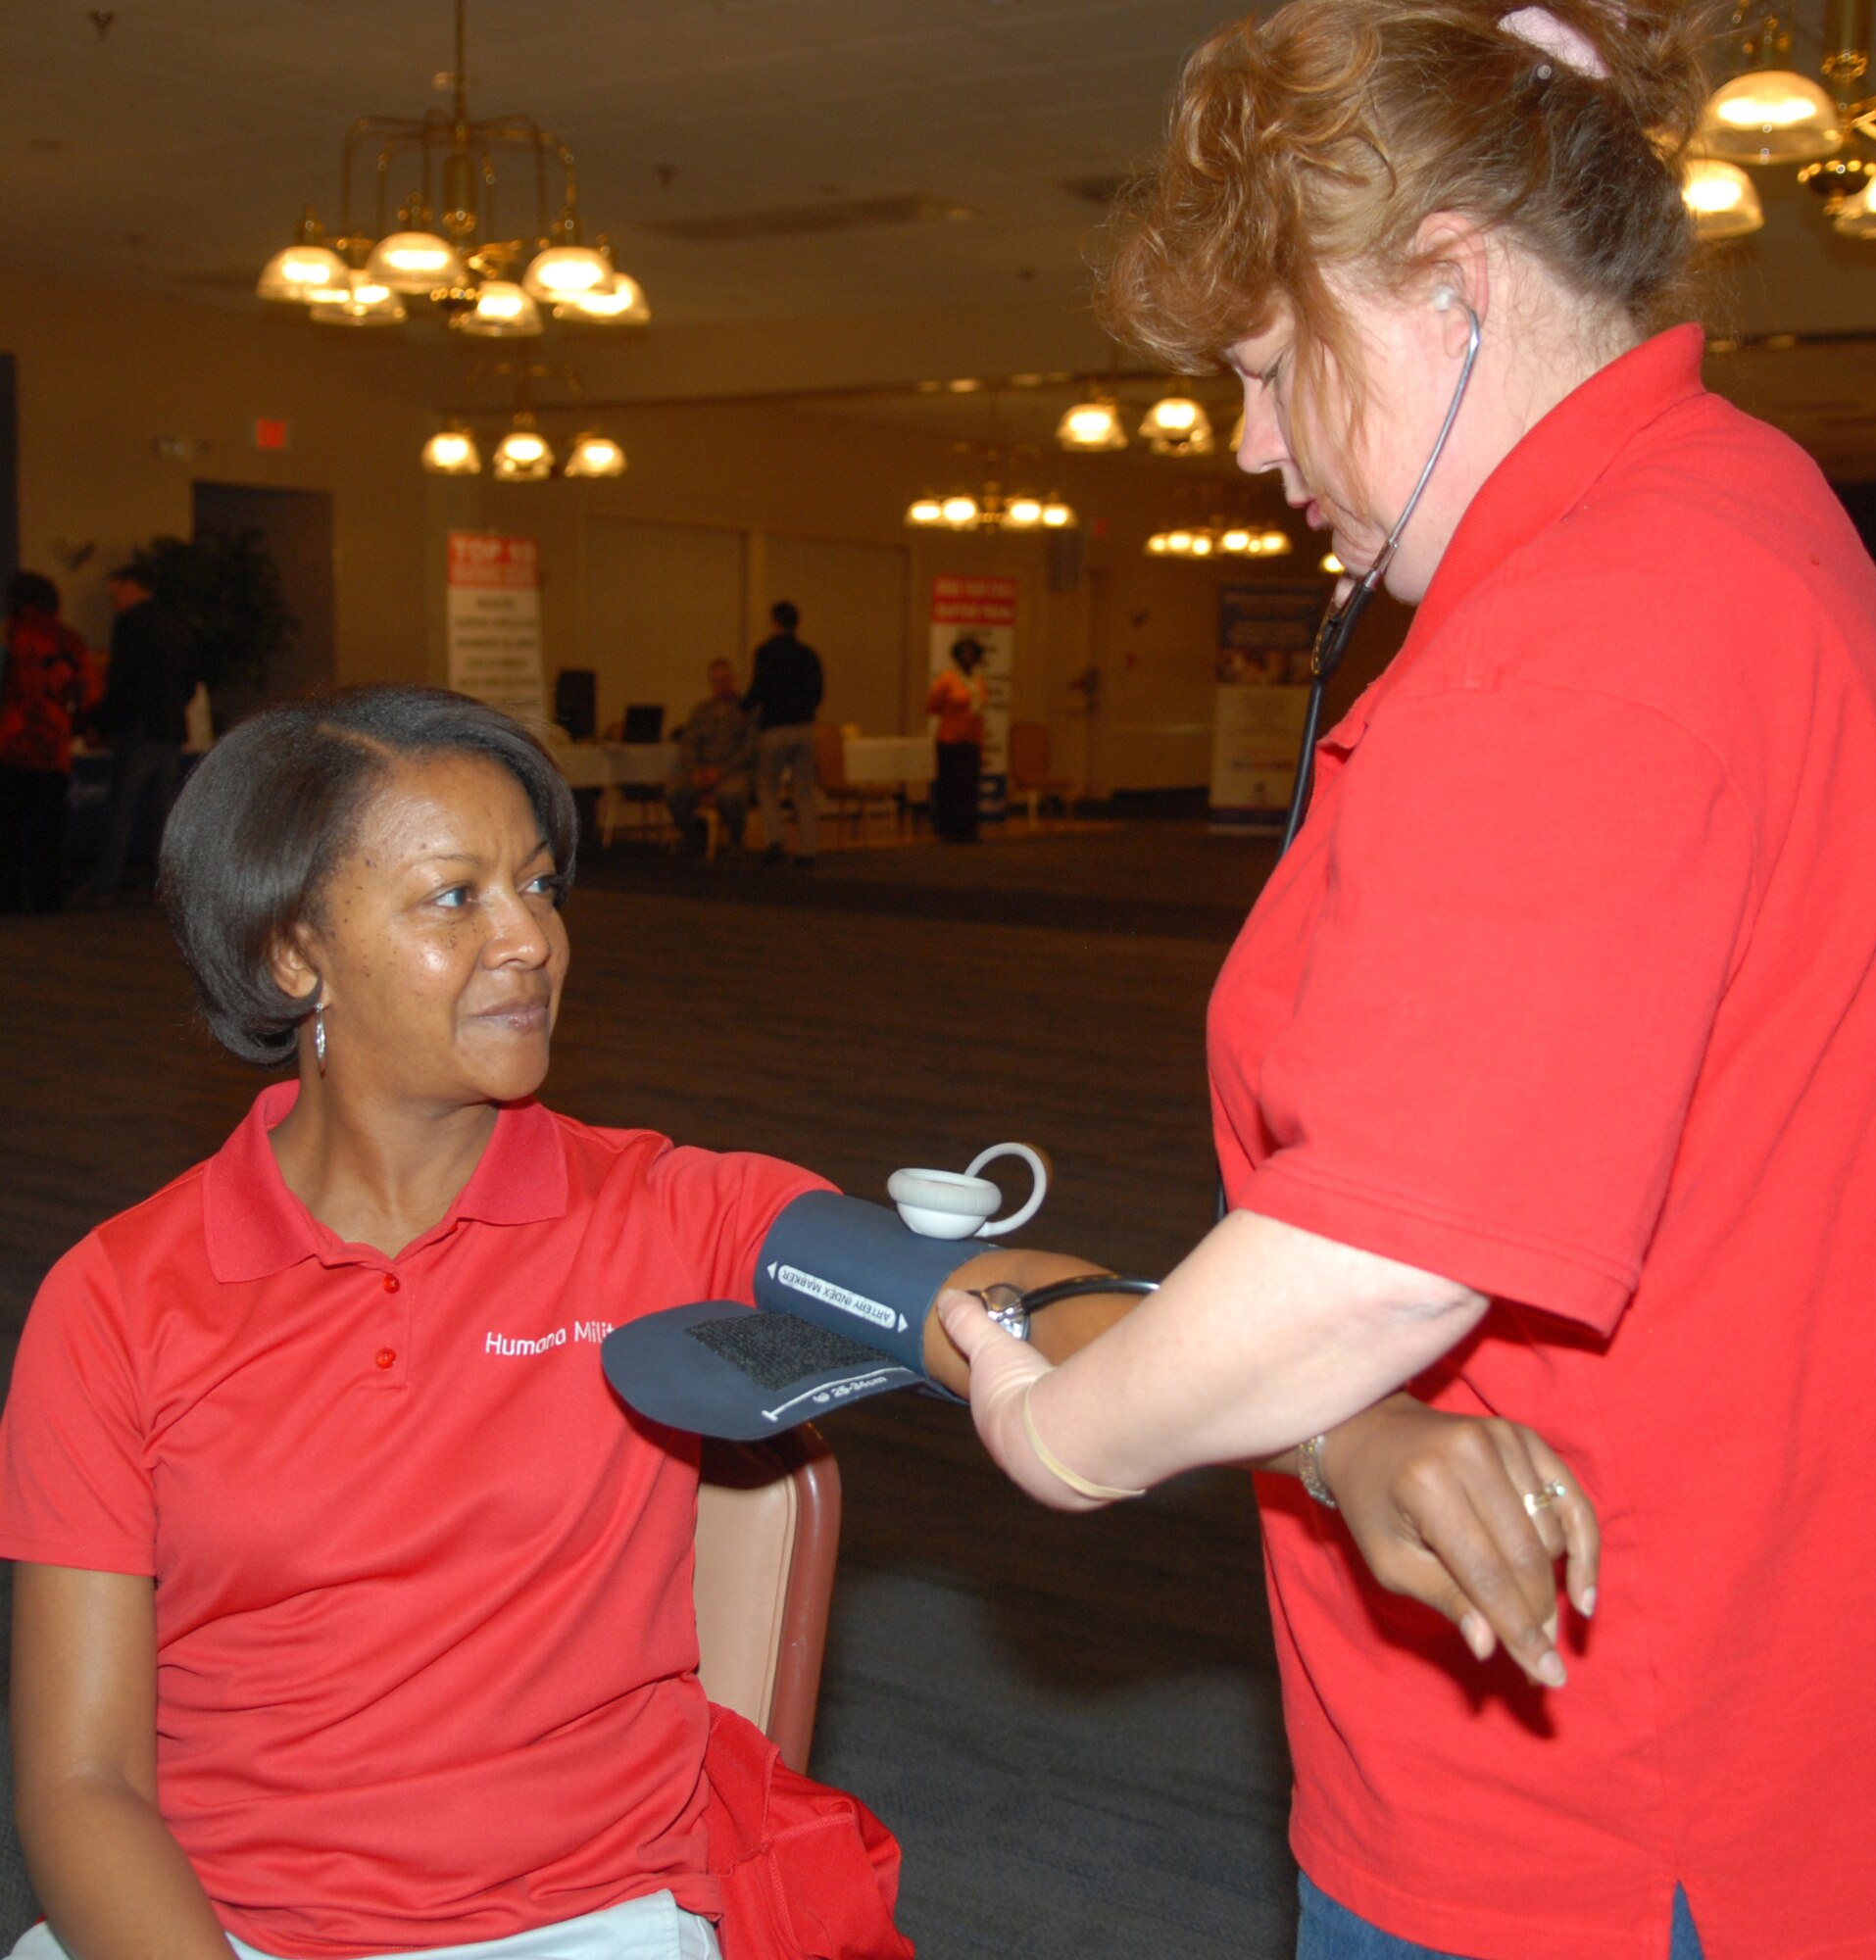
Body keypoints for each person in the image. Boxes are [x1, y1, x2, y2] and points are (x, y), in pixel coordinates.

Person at [939, 5, 1876, 1958]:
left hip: (1601, 1794)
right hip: (1759, 1690)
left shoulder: (1590, 634)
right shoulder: (1737, 519)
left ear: (1455, 284)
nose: (1248, 444)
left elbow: (1376, 1261)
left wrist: (1059, 1430)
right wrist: (1338, 1428)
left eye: (1268, 364)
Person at [0, 684, 1147, 1960]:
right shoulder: (117, 1300)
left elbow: (983, 1301)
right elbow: (82, 1783)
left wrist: (1302, 1414)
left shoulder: (660, 1214)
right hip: (207, 1928)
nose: (530, 942)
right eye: (455, 898)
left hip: (577, 1921)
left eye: (539, 887)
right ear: (292, 952)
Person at [88, 564, 196, 901]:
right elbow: (189, 683)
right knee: (165, 809)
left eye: (116, 591)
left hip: (137, 729)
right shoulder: (176, 623)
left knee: (122, 806)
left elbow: (121, 680)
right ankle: (167, 883)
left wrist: (101, 722)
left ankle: (108, 879)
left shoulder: (131, 625)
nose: (114, 599)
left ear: (132, 586)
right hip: (169, 728)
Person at [0, 572, 97, 914]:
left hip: (9, 744)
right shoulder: (68, 639)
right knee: (47, 831)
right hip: (52, 748)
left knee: (8, 831)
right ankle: (46, 899)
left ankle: (9, 898)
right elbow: (88, 691)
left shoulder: (9, 634)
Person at [740, 601, 821, 867]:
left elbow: (759, 687)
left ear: (775, 622)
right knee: (804, 790)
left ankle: (775, 839)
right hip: (803, 727)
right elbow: (818, 693)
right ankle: (808, 849)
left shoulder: (766, 652)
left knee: (766, 785)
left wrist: (743, 707)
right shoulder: (809, 654)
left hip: (774, 727)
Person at [666, 658, 755, 855]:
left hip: (733, 773)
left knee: (732, 793)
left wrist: (721, 771)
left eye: (726, 679)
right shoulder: (701, 711)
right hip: (702, 772)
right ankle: (694, 838)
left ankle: (735, 841)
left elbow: (749, 749)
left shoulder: (747, 710)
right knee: (674, 791)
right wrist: (695, 771)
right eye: (716, 680)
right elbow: (688, 745)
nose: (721, 684)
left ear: (734, 680)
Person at [925, 637, 987, 844]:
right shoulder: (947, 679)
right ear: (957, 656)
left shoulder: (978, 680)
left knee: (969, 787)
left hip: (972, 741)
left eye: (972, 653)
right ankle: (947, 830)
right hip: (950, 741)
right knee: (950, 787)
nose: (968, 657)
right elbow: (932, 706)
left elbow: (979, 711)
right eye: (964, 653)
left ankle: (968, 829)